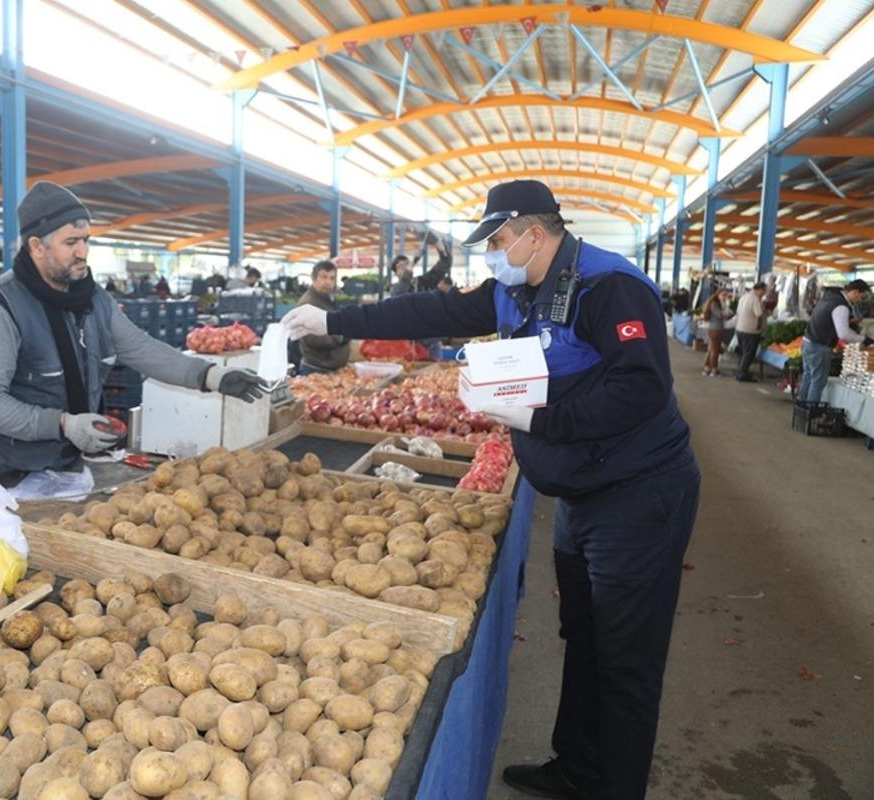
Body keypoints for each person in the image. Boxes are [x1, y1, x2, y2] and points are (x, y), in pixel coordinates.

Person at [283, 180, 700, 800]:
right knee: (584, 636)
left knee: (625, 661)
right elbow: (433, 311)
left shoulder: (609, 286)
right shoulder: (516, 287)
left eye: (499, 241)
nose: (492, 255)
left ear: (535, 234)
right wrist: (334, 318)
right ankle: (577, 768)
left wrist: (538, 418)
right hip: (581, 493)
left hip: (639, 493)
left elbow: (641, 387)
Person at [0, 181, 265, 483]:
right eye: (71, 243)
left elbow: (141, 349)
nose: (83, 252)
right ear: (37, 247)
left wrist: (211, 376)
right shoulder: (0, 307)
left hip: (65, 464)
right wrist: (63, 424)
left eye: (86, 240)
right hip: (5, 476)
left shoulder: (91, 298)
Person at [798, 279, 870, 404]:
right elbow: (843, 333)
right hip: (820, 346)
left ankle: (801, 407)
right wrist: (864, 339)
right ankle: (810, 409)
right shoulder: (841, 306)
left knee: (808, 377)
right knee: (818, 381)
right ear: (855, 292)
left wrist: (850, 321)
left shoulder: (830, 297)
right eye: (861, 297)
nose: (860, 301)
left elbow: (830, 319)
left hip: (808, 342)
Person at [295, 260, 349, 375]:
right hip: (316, 369)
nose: (328, 282)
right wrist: (342, 336)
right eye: (324, 277)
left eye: (332, 278)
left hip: (331, 368)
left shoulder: (329, 299)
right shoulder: (308, 303)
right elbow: (313, 338)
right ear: (314, 278)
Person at [733, 282, 766, 382]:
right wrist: (759, 327)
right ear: (759, 289)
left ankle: (740, 371)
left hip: (740, 329)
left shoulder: (744, 297)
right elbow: (759, 315)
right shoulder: (755, 299)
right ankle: (742, 374)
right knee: (748, 353)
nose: (764, 293)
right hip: (750, 331)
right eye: (764, 291)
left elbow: (738, 312)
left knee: (742, 352)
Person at [699, 288, 732, 377]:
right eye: (723, 295)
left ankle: (707, 368)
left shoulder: (716, 303)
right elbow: (720, 315)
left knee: (711, 349)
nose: (725, 297)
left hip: (716, 329)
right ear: (718, 295)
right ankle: (714, 369)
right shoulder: (715, 304)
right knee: (715, 350)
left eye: (726, 295)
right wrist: (726, 311)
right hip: (715, 330)